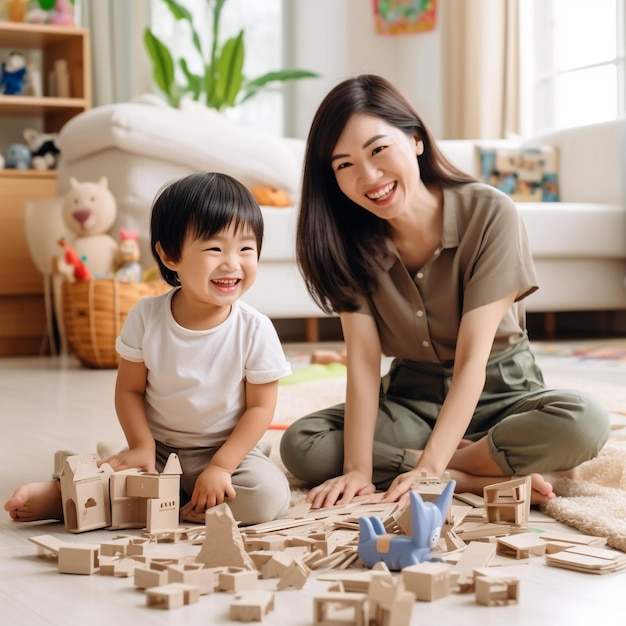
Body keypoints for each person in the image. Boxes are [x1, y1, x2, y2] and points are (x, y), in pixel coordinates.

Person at [279, 74, 610, 510]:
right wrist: (356, 470)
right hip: (410, 399)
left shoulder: (488, 212)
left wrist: (434, 469)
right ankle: (480, 475)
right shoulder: (346, 242)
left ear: (415, 139)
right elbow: (363, 362)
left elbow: (474, 358)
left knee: (584, 422)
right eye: (345, 165)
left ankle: (453, 471)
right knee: (302, 445)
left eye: (379, 150)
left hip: (502, 391)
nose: (369, 176)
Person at [5, 172, 292, 526]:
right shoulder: (147, 316)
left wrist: (222, 465)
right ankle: (60, 498)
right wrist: (141, 446)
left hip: (226, 452)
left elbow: (260, 408)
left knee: (268, 496)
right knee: (112, 478)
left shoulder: (255, 328)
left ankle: (176, 503)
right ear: (170, 256)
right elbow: (129, 389)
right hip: (157, 451)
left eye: (246, 249)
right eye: (215, 248)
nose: (232, 263)